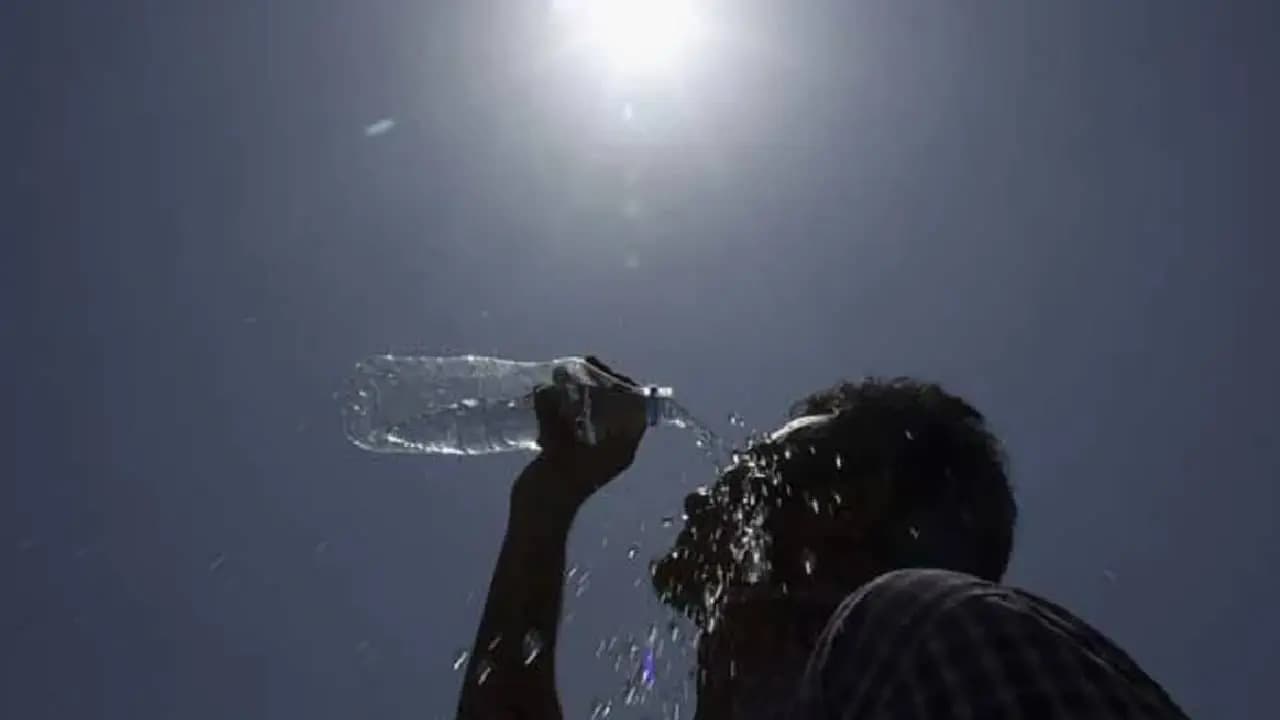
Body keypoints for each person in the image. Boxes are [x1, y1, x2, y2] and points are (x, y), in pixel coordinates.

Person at [455, 359, 1188, 719]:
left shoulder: (924, 629)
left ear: (849, 502)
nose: (700, 496)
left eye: (757, 465)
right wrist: (545, 503)